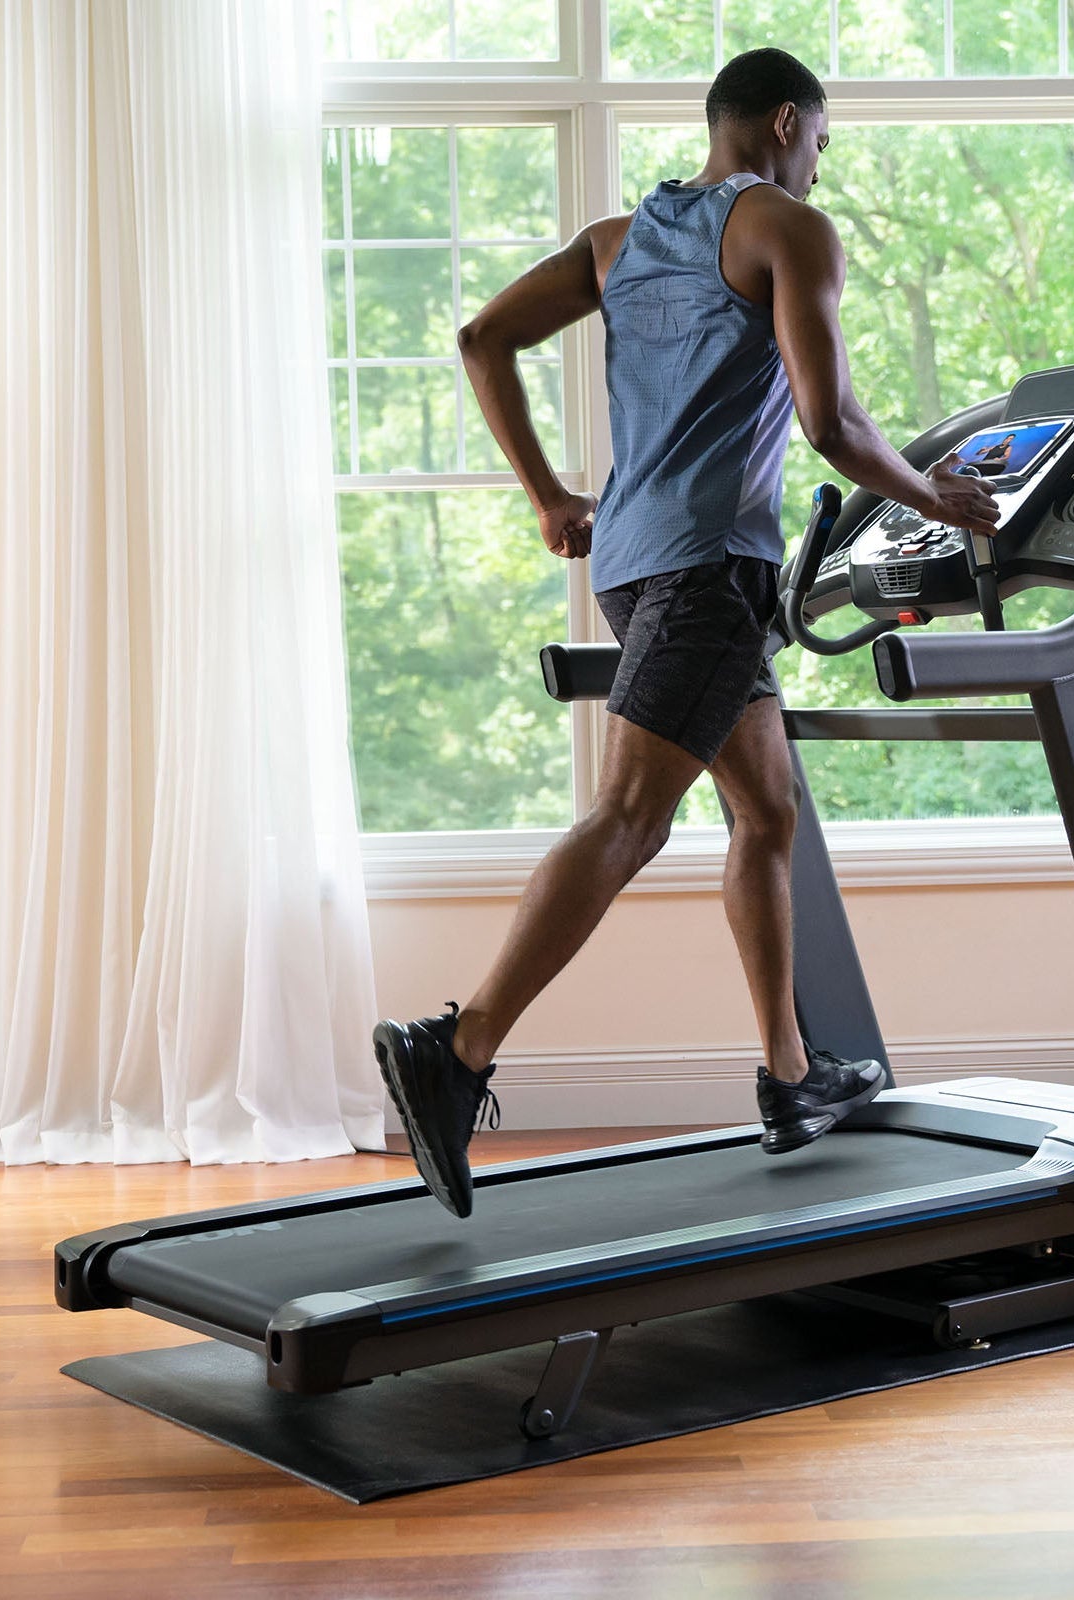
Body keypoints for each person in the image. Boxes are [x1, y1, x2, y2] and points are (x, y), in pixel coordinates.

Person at [372, 47, 1000, 1216]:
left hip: (633, 564)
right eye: (821, 141)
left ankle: (790, 1077)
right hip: (708, 569)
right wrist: (936, 497)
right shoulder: (786, 229)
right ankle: (455, 1049)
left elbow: (480, 339)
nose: (821, 165)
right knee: (631, 816)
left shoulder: (619, 240)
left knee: (766, 810)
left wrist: (549, 498)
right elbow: (829, 421)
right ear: (784, 122)